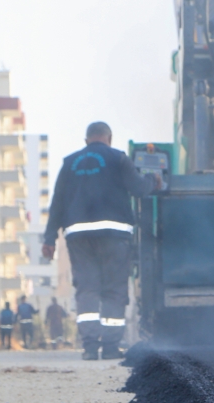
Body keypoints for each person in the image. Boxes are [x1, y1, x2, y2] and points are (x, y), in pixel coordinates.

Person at [43, 122, 161, 360]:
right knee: (113, 290)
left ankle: (89, 347)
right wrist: (153, 181)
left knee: (87, 288)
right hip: (113, 235)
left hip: (78, 237)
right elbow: (139, 188)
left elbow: (57, 203)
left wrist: (50, 239)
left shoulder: (69, 162)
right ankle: (109, 347)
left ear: (87, 140)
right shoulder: (118, 159)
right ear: (109, 138)